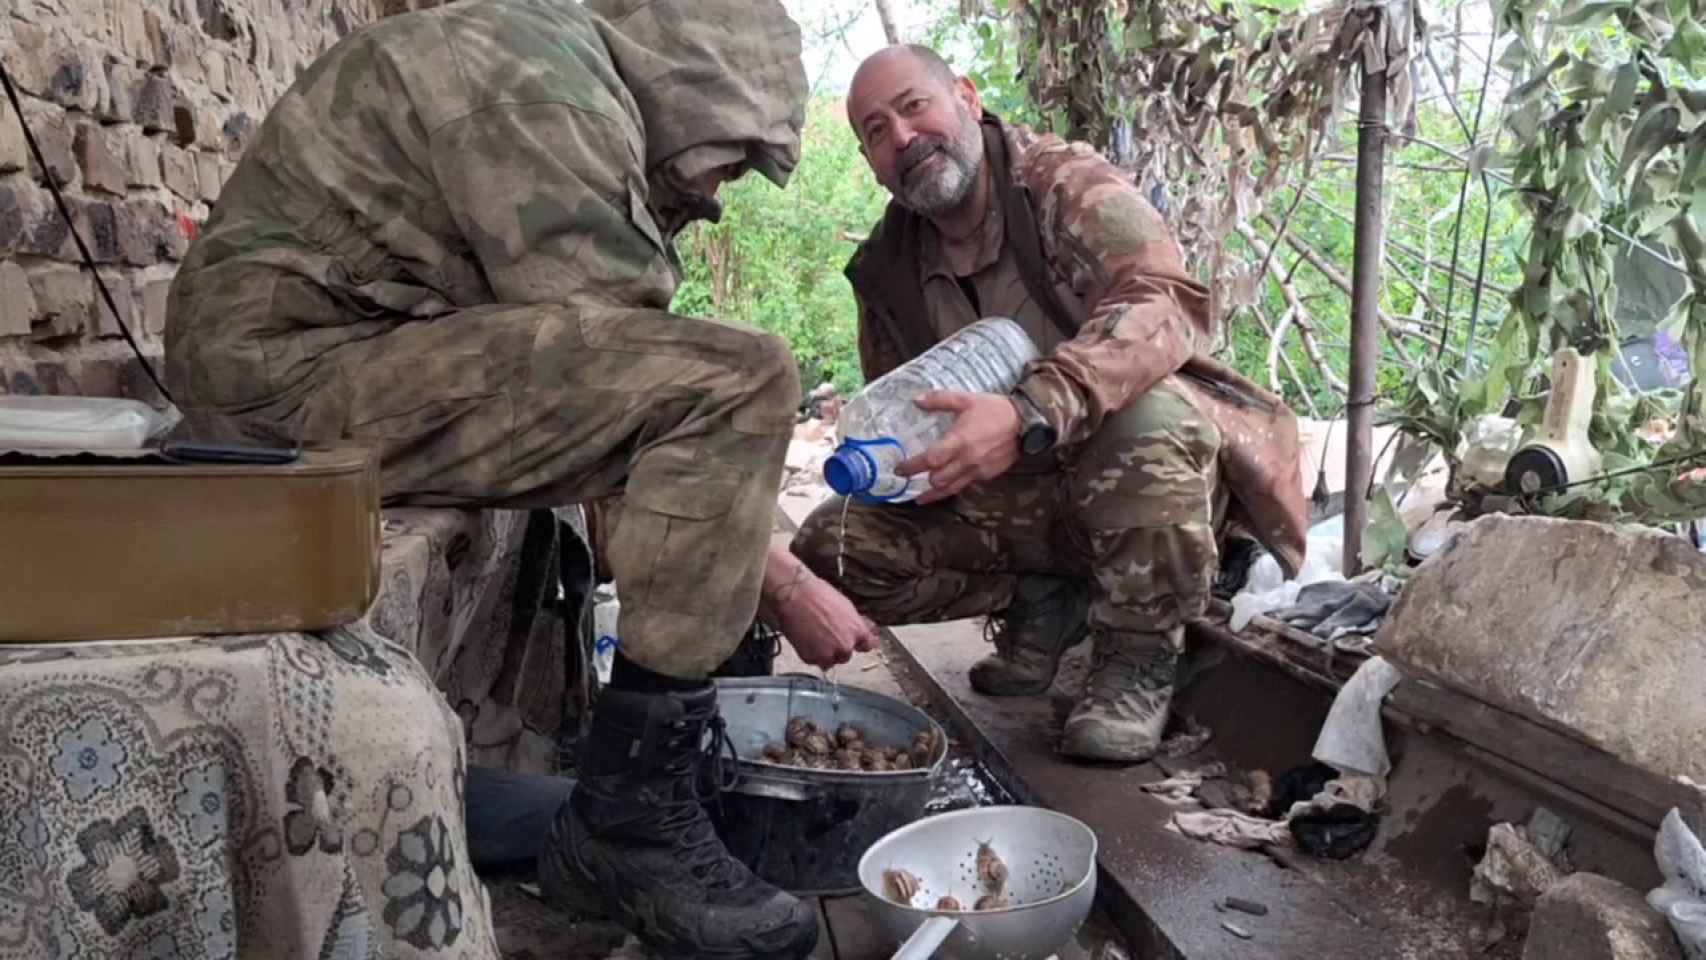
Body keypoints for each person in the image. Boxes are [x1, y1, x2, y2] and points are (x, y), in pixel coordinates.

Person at [161, 0, 827, 956]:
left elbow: (595, 370)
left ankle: (618, 790)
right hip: (289, 382)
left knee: (712, 381)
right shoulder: (544, 86)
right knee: (743, 377)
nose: (722, 194)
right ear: (697, 85)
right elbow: (642, 372)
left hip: (321, 356)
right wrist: (786, 581)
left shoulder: (546, 61)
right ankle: (631, 824)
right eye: (733, 157)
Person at [789, 45, 1310, 763]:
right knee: (829, 548)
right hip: (1019, 505)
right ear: (871, 161)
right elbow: (902, 407)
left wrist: (1032, 409)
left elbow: (1165, 300)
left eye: (915, 106)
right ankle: (1040, 599)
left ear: (968, 99)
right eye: (877, 131)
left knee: (1149, 416)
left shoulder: (1059, 184)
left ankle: (1138, 655)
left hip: (1136, 478)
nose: (903, 137)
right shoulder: (886, 268)